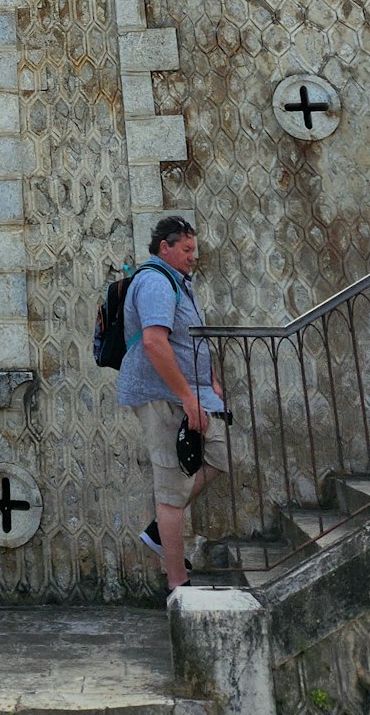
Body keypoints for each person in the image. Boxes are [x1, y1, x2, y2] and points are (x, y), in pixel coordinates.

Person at [116, 215, 229, 594]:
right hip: (161, 396)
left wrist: (209, 379)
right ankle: (178, 584)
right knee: (170, 488)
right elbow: (154, 342)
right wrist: (186, 395)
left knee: (220, 454)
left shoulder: (178, 282)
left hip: (189, 391)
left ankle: (158, 533)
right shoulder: (154, 282)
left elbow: (188, 338)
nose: (192, 256)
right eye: (186, 249)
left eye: (193, 250)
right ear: (165, 247)